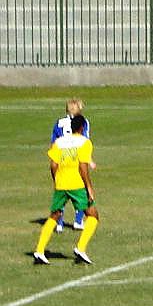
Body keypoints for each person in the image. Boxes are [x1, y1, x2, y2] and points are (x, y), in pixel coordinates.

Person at [33, 115, 98, 265]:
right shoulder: (84, 142)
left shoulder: (59, 142)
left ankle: (40, 250)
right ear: (82, 127)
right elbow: (83, 166)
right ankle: (80, 248)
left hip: (60, 184)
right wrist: (89, 187)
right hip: (76, 184)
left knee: (54, 215)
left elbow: (53, 165)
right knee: (93, 215)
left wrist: (56, 181)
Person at [50, 99, 94, 233]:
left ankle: (59, 224)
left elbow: (53, 142)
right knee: (81, 190)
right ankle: (78, 220)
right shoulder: (83, 122)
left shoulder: (59, 122)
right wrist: (89, 159)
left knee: (60, 192)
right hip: (76, 159)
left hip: (61, 159)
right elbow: (84, 140)